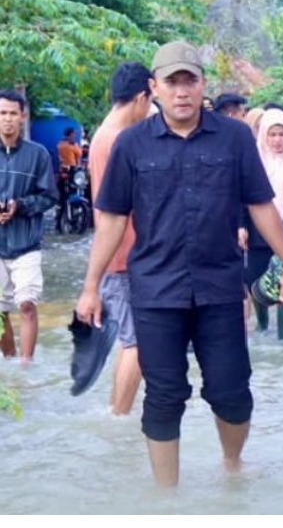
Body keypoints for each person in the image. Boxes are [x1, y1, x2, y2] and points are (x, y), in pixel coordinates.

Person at [75, 40, 283, 487]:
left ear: (202, 85)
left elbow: (259, 204)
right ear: (154, 88)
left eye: (190, 80)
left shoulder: (234, 137)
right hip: (155, 289)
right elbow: (114, 220)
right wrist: (90, 285)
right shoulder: (130, 145)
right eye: (172, 82)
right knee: (164, 395)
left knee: (232, 390)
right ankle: (167, 499)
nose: (181, 91)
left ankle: (233, 468)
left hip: (219, 286)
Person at [88, 61, 154, 415]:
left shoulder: (103, 134)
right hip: (123, 254)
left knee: (129, 342)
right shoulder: (119, 140)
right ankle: (120, 418)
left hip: (116, 253)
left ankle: (117, 410)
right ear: (142, 96)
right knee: (139, 343)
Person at [0, 89, 59, 362]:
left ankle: (27, 367)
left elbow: (49, 196)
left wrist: (20, 205)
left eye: (13, 113)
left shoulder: (38, 155)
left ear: (23, 117)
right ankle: (10, 364)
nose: (7, 119)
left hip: (27, 244)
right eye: (2, 113)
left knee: (26, 304)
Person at [240, 108, 283, 339]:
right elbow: (241, 196)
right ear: (263, 136)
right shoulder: (253, 163)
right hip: (260, 233)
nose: (277, 140)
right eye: (272, 135)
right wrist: (241, 226)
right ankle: (261, 326)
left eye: (282, 134)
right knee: (256, 282)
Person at [55, 126, 83, 232]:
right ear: (70, 135)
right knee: (72, 193)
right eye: (73, 135)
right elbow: (79, 154)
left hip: (63, 172)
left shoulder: (60, 145)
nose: (74, 136)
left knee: (62, 198)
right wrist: (75, 145)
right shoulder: (71, 146)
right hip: (72, 171)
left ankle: (59, 221)